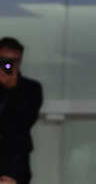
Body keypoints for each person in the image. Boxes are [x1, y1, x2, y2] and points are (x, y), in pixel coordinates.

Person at [0, 37, 43, 184]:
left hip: (15, 161)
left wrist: (13, 90)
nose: (9, 65)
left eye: (15, 61)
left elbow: (24, 123)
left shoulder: (31, 89)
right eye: (5, 60)